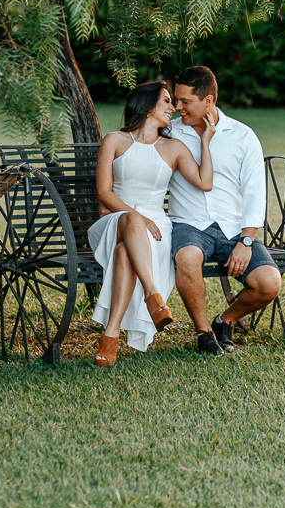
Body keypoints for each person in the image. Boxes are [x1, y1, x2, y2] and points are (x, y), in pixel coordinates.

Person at [87, 81, 215, 367]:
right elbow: (104, 193)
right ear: (146, 107)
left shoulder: (174, 148)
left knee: (125, 253)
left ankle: (110, 336)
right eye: (166, 101)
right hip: (114, 222)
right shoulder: (114, 140)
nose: (173, 108)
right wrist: (141, 218)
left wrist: (205, 142)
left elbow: (204, 182)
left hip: (156, 231)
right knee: (132, 219)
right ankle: (152, 295)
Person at [168, 66, 281, 356]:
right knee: (187, 258)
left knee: (269, 283)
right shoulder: (168, 133)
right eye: (176, 99)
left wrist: (246, 240)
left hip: (233, 228)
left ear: (208, 101)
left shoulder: (242, 136)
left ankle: (225, 321)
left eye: (185, 101)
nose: (177, 107)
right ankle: (204, 333)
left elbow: (255, 191)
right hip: (189, 224)